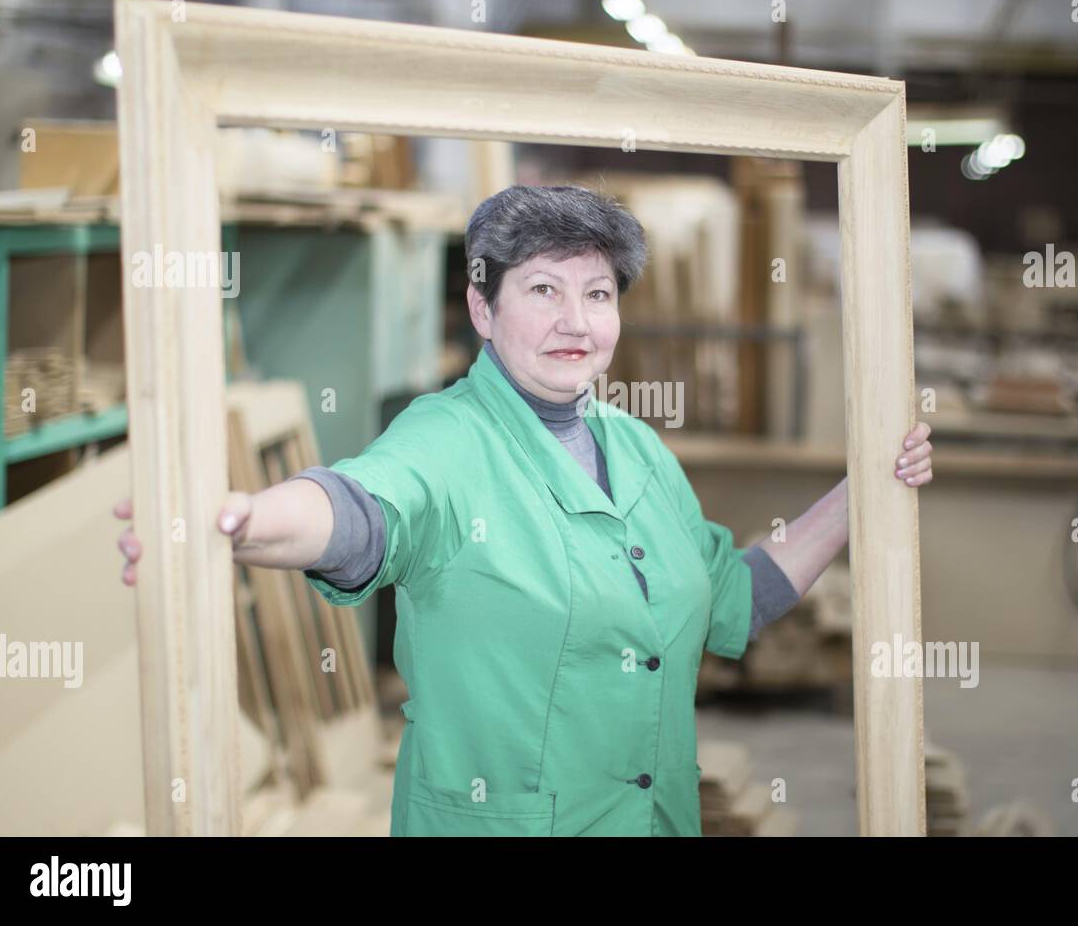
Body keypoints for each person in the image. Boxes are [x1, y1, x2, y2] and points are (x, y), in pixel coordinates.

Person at [116, 184, 934, 836]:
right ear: (482, 308)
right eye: (543, 289)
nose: (575, 321)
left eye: (598, 293)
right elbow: (359, 510)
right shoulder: (448, 437)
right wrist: (245, 522)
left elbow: (733, 599)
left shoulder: (638, 448)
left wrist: (868, 489)